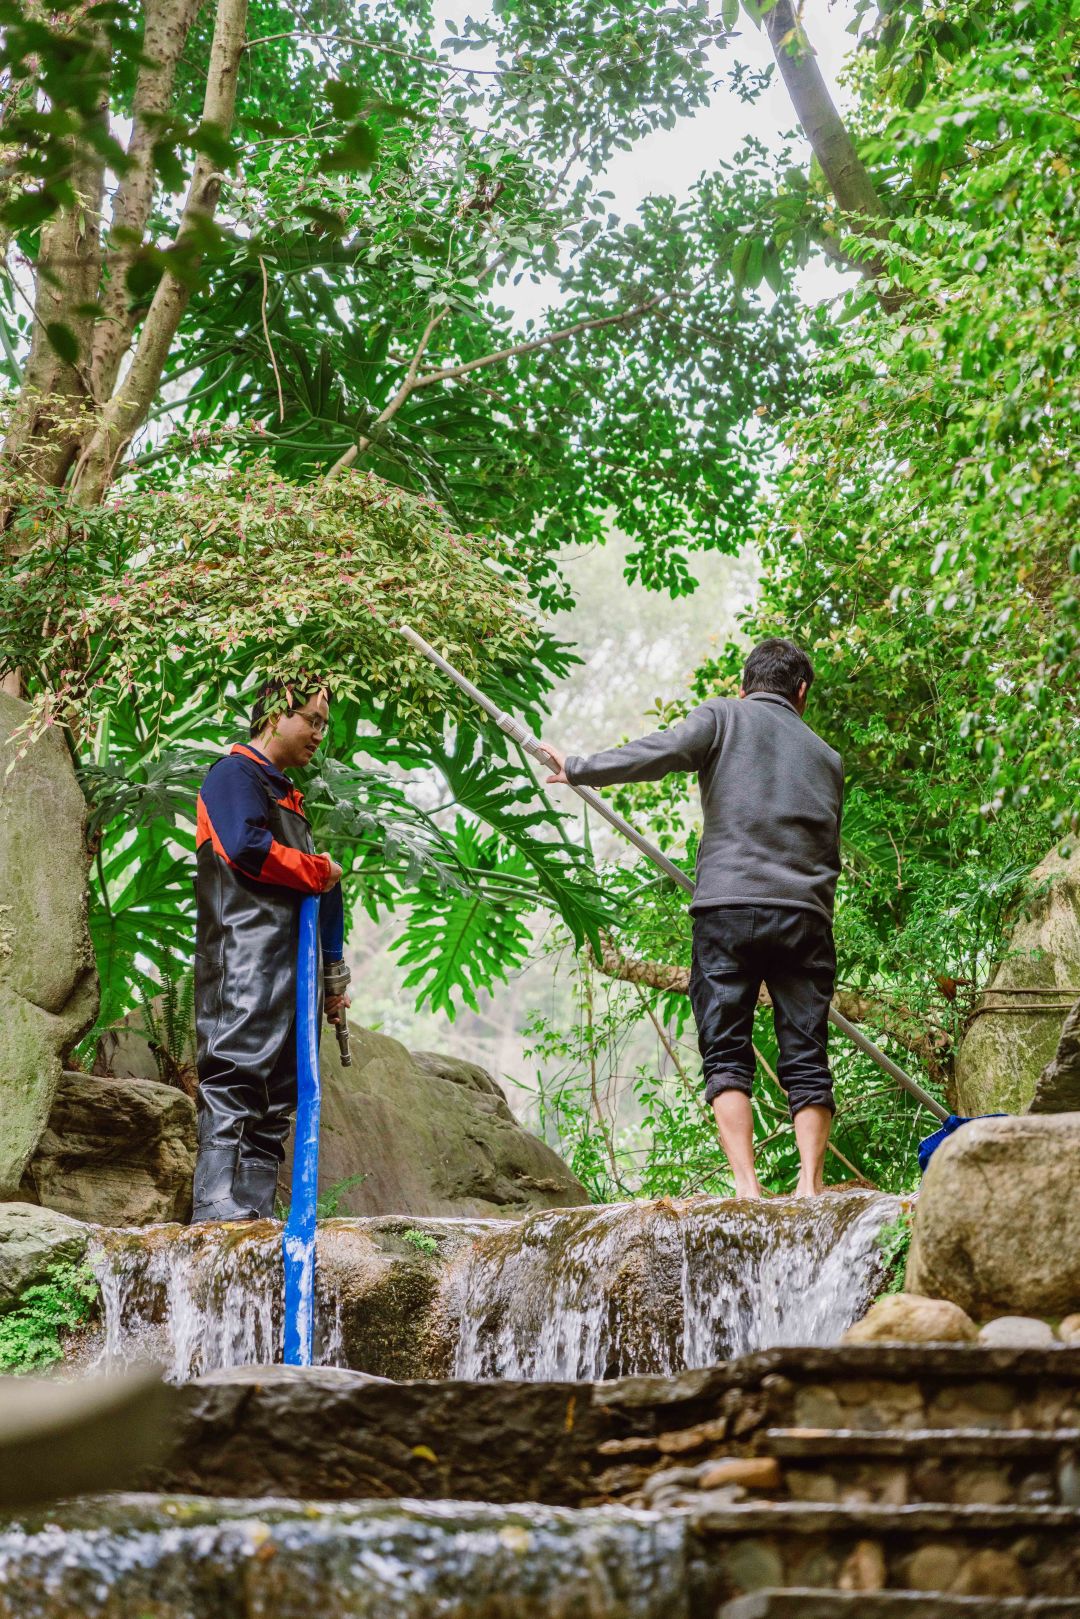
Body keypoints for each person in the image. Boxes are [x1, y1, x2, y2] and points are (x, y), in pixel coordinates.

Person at [543, 638, 843, 1199]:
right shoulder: (827, 757)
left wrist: (578, 768)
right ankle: (809, 1187)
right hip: (805, 916)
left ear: (743, 685)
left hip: (727, 908)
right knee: (806, 1048)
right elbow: (829, 846)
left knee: (726, 1048)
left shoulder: (723, 716)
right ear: (801, 694)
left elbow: (659, 752)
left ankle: (747, 1188)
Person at [191, 679, 351, 1222]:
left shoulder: (289, 797)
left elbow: (326, 894)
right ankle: (215, 1202)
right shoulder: (233, 775)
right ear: (275, 716)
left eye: (322, 724)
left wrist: (334, 976)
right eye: (311, 719)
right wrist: (318, 870)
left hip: (294, 969)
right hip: (243, 958)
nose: (317, 734)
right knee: (236, 1070)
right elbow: (245, 847)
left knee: (281, 1090)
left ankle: (254, 1208)